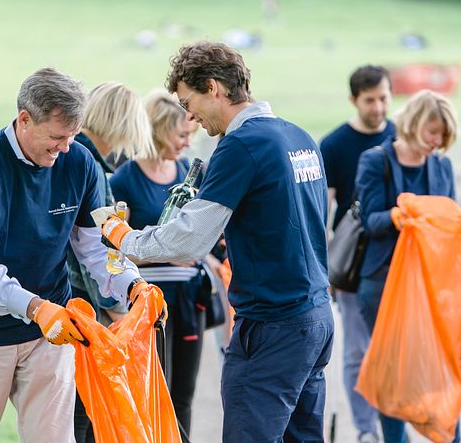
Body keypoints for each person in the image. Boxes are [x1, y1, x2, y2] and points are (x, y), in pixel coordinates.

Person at [101, 41, 334, 443]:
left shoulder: (240, 145)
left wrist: (123, 237)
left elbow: (189, 241)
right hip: (315, 315)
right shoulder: (299, 137)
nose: (188, 115)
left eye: (189, 101)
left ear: (214, 88)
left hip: (272, 323)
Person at [0, 68, 145, 443]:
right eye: (56, 137)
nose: (65, 148)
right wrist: (35, 308)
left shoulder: (80, 163)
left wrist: (133, 285)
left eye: (71, 137)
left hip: (50, 334)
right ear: (24, 120)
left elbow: (96, 248)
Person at [355, 89, 460, 443]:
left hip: (430, 284)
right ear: (414, 124)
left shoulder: (442, 166)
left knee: (438, 367)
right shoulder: (376, 160)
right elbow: (370, 221)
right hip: (383, 280)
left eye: (443, 136)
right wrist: (401, 217)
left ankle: (447, 435)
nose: (437, 141)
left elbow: (450, 220)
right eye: (433, 132)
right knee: (393, 372)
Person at [109, 89, 210, 437]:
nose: (186, 143)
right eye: (181, 135)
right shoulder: (123, 180)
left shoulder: (188, 173)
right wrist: (169, 253)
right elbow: (114, 248)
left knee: (184, 394)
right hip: (147, 299)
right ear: (158, 131)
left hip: (188, 299)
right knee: (153, 392)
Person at [68, 81, 154, 443]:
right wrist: (119, 306)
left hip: (67, 304)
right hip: (84, 308)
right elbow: (95, 252)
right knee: (85, 415)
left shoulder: (72, 158)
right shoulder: (92, 171)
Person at [319, 64, 396, 443]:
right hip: (353, 260)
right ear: (354, 100)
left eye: (384, 98)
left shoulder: (401, 136)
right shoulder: (334, 145)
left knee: (395, 348)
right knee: (357, 349)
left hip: (395, 259)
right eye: (370, 100)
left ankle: (392, 423)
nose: (379, 107)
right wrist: (326, 265)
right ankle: (366, 429)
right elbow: (323, 211)